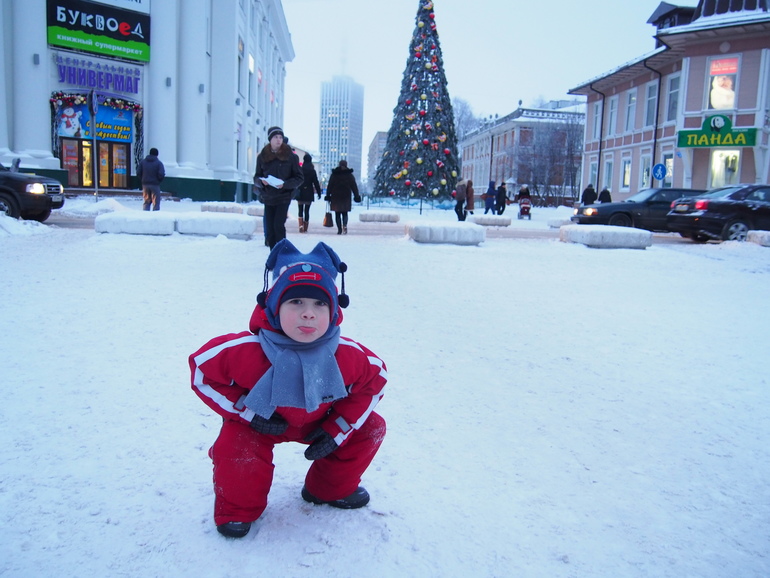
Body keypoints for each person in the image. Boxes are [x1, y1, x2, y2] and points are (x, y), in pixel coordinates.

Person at [190, 239, 387, 539]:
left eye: (319, 304)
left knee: (370, 427)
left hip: (321, 421)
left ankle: (328, 489)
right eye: (295, 302)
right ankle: (239, 508)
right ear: (273, 305)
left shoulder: (347, 355)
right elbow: (202, 370)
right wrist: (246, 412)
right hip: (262, 422)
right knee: (236, 442)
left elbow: (375, 381)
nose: (308, 313)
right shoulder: (246, 351)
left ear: (334, 312)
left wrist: (338, 428)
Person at [254, 126, 304, 249]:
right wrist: (262, 182)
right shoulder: (262, 157)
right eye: (276, 137)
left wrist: (285, 184)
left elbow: (299, 178)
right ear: (270, 139)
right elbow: (256, 177)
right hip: (268, 196)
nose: (278, 140)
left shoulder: (291, 157)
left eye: (280, 137)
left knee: (278, 226)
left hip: (283, 196)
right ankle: (273, 255)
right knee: (270, 229)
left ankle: (282, 254)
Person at [325, 159, 360, 235]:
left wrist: (328, 195)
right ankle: (344, 225)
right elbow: (354, 186)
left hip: (336, 196)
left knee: (337, 214)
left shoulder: (334, 174)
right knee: (345, 213)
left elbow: (330, 186)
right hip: (346, 196)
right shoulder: (349, 175)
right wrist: (356, 196)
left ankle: (339, 229)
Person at [296, 153, 322, 233]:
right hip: (309, 192)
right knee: (307, 210)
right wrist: (319, 192)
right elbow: (316, 182)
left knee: (300, 209)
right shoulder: (312, 171)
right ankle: (305, 227)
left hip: (300, 192)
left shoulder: (300, 169)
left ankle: (300, 225)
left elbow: (297, 180)